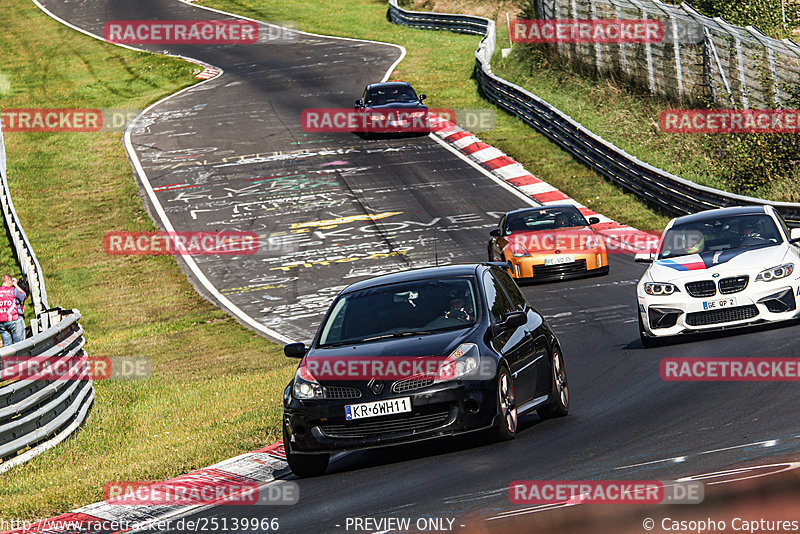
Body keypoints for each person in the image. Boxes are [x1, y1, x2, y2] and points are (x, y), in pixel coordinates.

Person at [0, 274, 25, 347]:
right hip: (14, 320)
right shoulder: (13, 290)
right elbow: (23, 296)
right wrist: (16, 285)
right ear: (10, 281)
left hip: (1, 322)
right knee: (19, 345)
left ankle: (8, 358)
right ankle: (20, 358)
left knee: (7, 346)